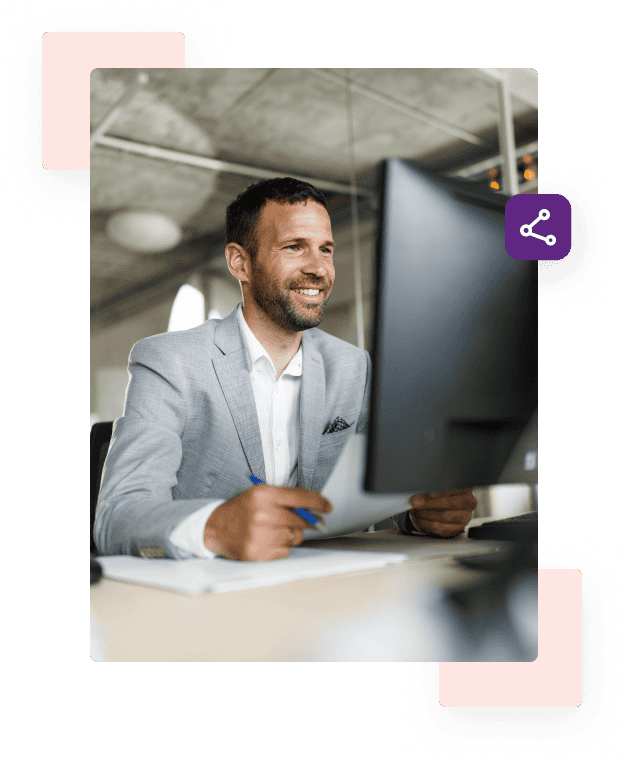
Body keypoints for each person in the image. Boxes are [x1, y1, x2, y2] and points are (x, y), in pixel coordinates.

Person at [94, 177, 476, 561]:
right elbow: (116, 516)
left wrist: (421, 514)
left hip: (321, 585)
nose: (319, 269)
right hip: (208, 595)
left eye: (325, 250)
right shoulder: (169, 361)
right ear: (239, 262)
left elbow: (374, 500)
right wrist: (214, 526)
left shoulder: (352, 367)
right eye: (295, 247)